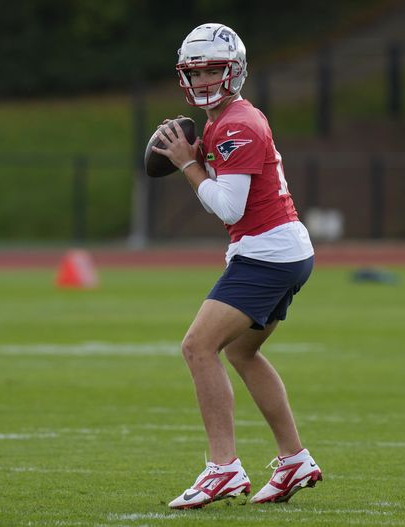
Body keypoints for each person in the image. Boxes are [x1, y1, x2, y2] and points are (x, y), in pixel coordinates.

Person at [151, 24, 322, 509]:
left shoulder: (235, 124)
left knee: (197, 347)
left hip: (266, 252)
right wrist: (195, 159)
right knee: (243, 353)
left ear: (235, 71)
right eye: (195, 72)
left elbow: (230, 206)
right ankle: (294, 460)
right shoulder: (228, 119)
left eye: (212, 70)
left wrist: (188, 165)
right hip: (281, 249)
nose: (203, 80)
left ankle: (223, 468)